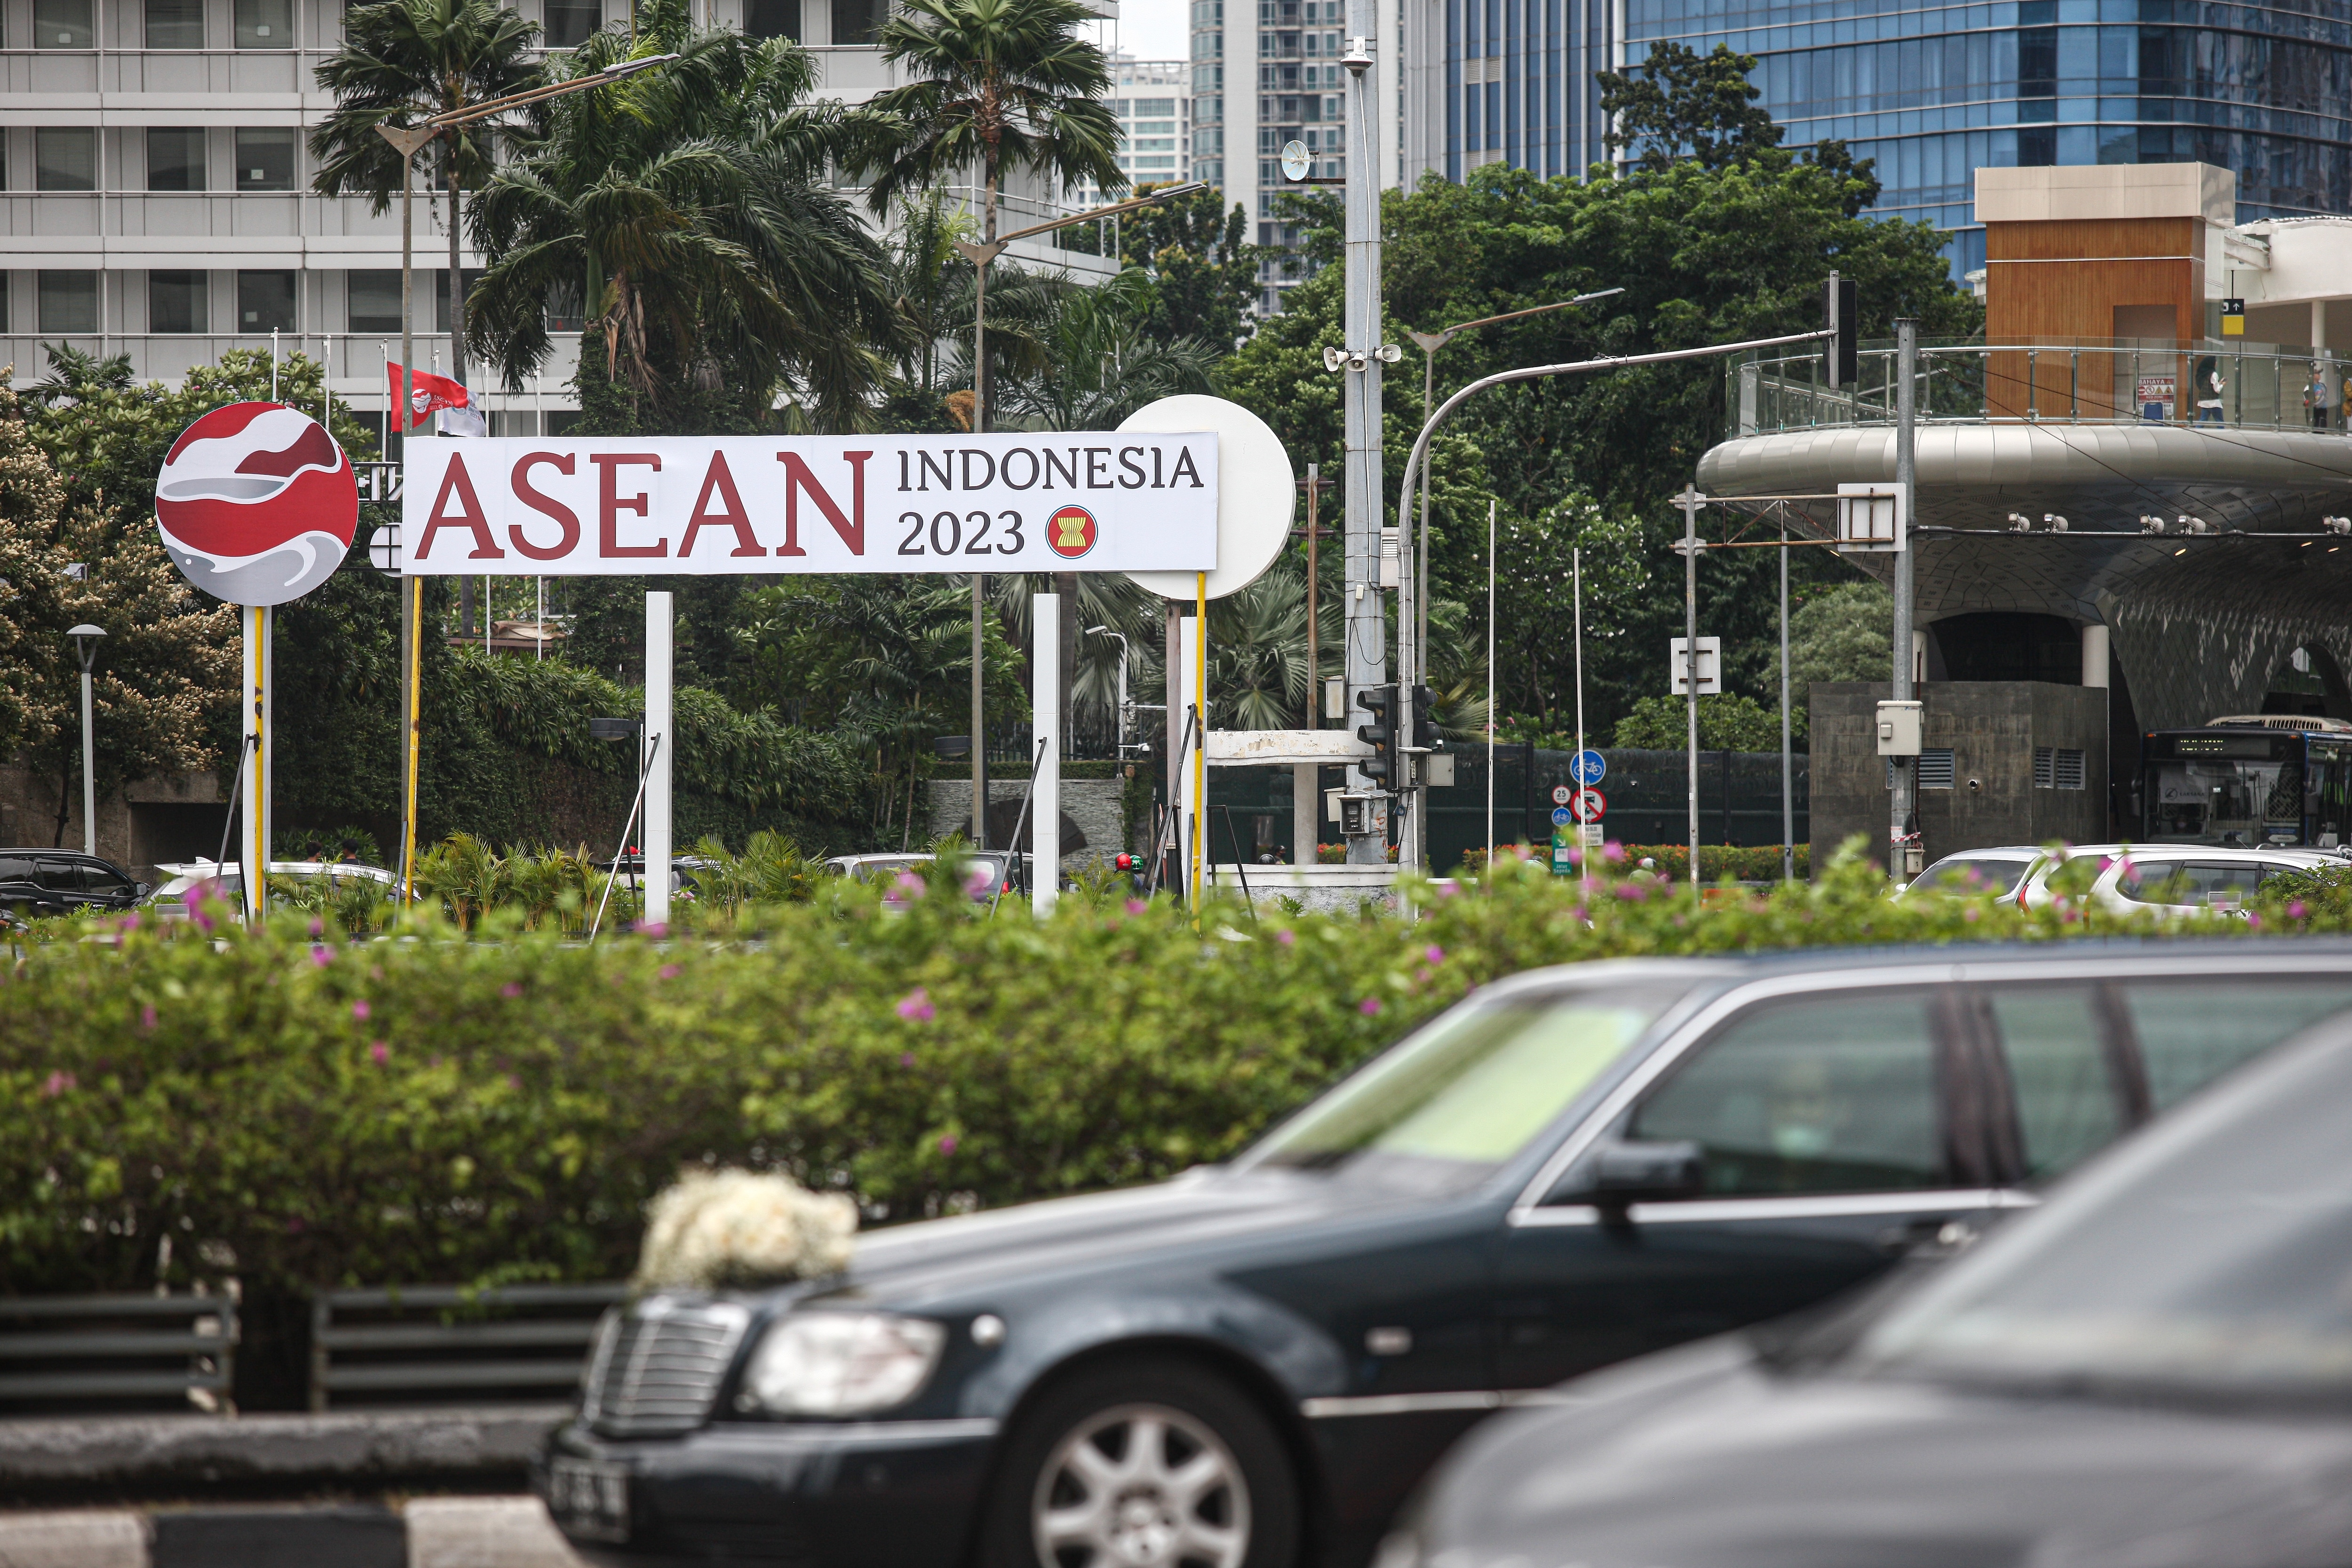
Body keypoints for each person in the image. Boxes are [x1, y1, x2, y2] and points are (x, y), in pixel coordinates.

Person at [2194, 354, 2226, 423]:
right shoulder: (2214, 374)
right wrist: (2222, 385)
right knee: (2220, 421)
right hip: (2214, 402)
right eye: (2215, 361)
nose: (2217, 363)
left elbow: (2209, 385)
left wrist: (2219, 383)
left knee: (2203, 420)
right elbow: (2217, 390)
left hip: (2204, 401)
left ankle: (2197, 429)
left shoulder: (2203, 375)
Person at [2307, 363, 2336, 431]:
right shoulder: (2309, 387)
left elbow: (2325, 395)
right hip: (2314, 409)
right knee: (2315, 424)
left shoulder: (2323, 386)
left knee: (2323, 423)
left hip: (2323, 408)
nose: (2319, 375)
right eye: (2317, 374)